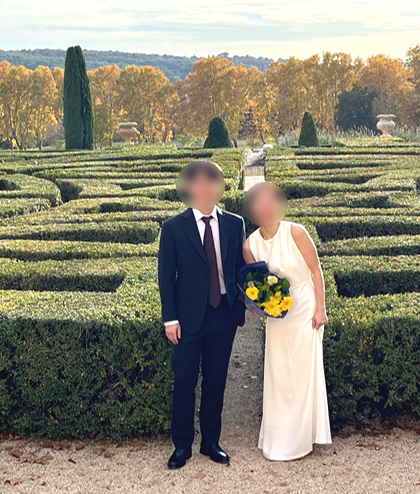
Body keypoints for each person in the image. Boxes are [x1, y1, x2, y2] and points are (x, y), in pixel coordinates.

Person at [158, 160, 246, 469]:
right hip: (187, 318)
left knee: (215, 380)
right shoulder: (173, 228)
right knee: (184, 380)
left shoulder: (235, 224)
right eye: (200, 183)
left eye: (213, 183)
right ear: (191, 188)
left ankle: (211, 442)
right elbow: (166, 276)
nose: (207, 189)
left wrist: (252, 295)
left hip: (223, 314)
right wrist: (170, 318)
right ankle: (182, 445)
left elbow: (240, 269)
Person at [242, 181, 332, 461]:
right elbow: (255, 285)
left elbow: (315, 271)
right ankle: (280, 438)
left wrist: (320, 309)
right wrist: (258, 307)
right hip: (278, 316)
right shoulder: (250, 245)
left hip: (304, 308)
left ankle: (303, 438)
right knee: (279, 374)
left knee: (303, 374)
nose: (266, 209)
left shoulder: (296, 232)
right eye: (259, 205)